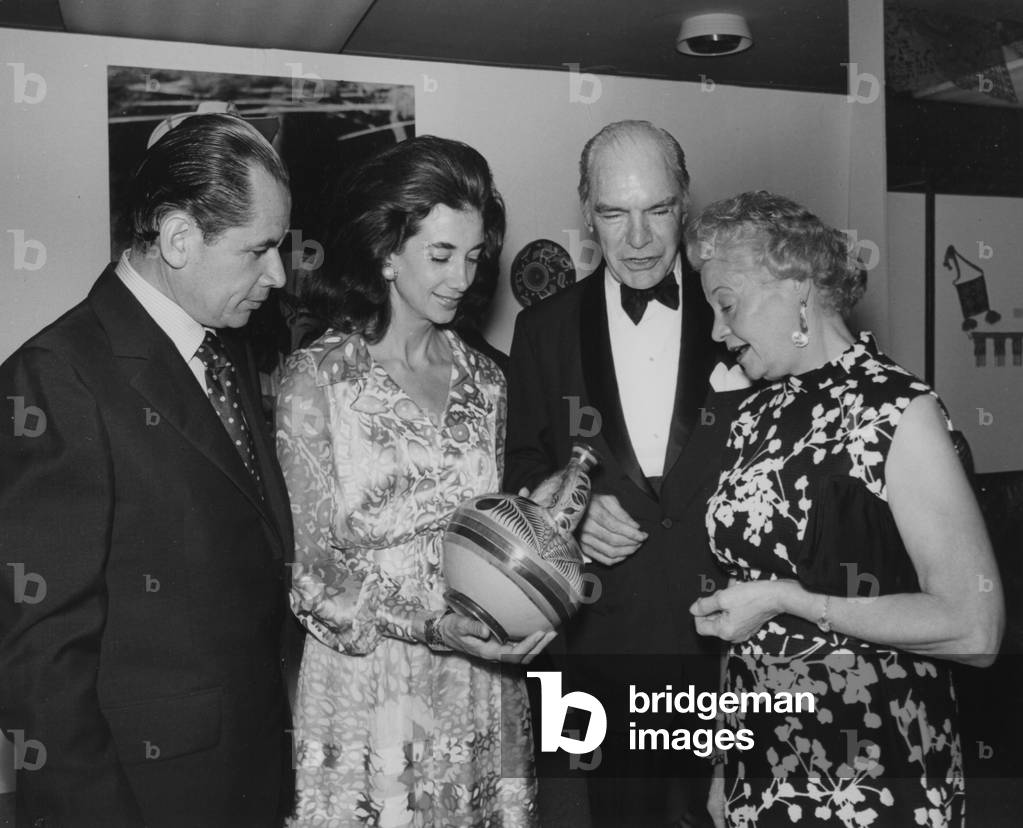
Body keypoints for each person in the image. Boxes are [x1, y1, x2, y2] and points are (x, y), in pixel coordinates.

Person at [0, 113, 296, 827]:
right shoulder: (54, 379)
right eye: (259, 250)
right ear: (176, 238)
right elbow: (38, 662)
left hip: (243, 771)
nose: (279, 274)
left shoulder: (221, 351)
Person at [686, 191, 1005, 827]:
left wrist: (792, 600)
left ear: (798, 287)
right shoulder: (752, 414)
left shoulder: (896, 410)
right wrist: (725, 760)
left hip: (872, 767)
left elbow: (976, 627)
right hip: (764, 761)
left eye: (727, 305)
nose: (718, 332)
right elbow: (739, 611)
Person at [276, 135, 553, 827]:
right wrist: (433, 625)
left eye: (474, 255)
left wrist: (531, 603)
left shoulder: (487, 380)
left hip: (479, 672)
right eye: (440, 254)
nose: (462, 277)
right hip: (368, 677)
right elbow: (311, 574)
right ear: (385, 250)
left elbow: (500, 533)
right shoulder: (318, 381)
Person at [505, 120, 745, 827]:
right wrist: (569, 513)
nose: (637, 238)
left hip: (733, 633)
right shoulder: (541, 329)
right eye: (614, 213)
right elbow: (521, 461)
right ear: (586, 211)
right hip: (604, 634)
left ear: (685, 204)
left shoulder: (737, 308)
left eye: (658, 210)